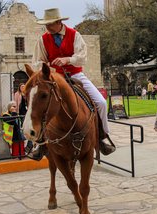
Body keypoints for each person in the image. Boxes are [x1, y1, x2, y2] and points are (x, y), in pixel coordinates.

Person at [29, 8, 115, 160]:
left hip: (75, 74)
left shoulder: (75, 35)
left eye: (49, 24)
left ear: (59, 22)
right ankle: (39, 144)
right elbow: (38, 60)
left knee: (101, 103)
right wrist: (47, 66)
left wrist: (67, 59)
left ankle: (102, 137)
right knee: (38, 103)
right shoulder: (43, 39)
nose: (47, 27)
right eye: (46, 24)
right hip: (54, 77)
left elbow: (82, 57)